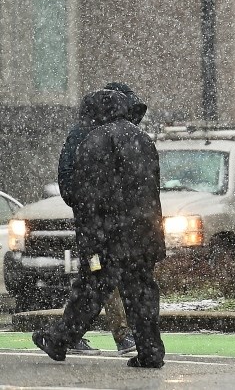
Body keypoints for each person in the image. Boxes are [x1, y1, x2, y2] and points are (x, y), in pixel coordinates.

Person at [32, 87, 167, 368]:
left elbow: (87, 199)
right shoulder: (143, 139)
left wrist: (90, 240)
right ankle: (150, 351)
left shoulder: (93, 142)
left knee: (90, 289)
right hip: (143, 233)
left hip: (108, 235)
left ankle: (59, 341)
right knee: (141, 292)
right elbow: (152, 189)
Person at [56, 83, 141, 357]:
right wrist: (89, 205)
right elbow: (70, 180)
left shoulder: (109, 134)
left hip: (107, 221)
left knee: (96, 276)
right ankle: (121, 335)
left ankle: (70, 334)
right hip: (95, 223)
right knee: (100, 274)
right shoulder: (85, 135)